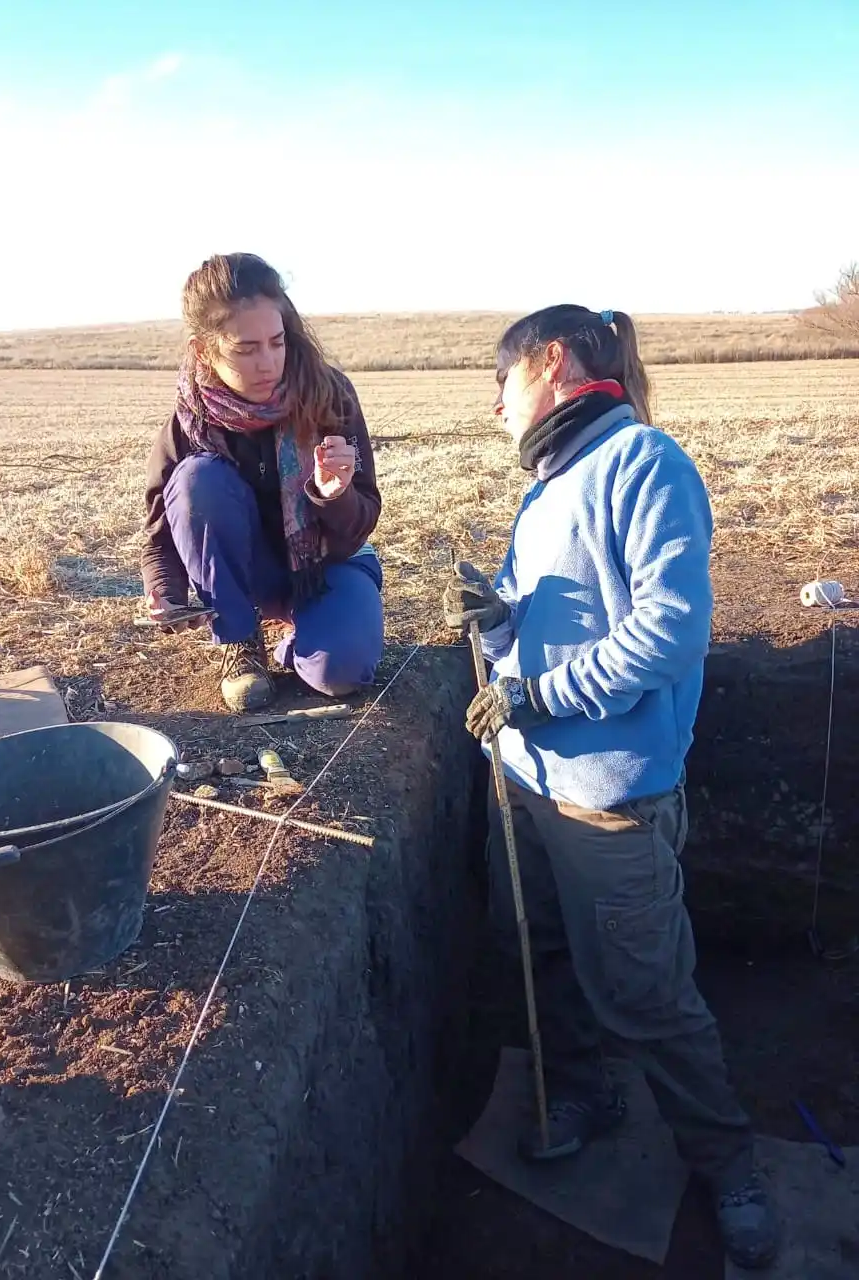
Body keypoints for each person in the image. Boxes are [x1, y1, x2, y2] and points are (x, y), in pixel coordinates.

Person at [442, 305, 779, 1270]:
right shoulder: (547, 485)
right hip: (529, 782)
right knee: (542, 955)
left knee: (647, 993)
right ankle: (584, 1089)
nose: (494, 404)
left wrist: (541, 695)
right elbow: (539, 637)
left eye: (499, 381)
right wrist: (499, 625)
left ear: (550, 363)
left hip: (607, 798)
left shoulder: (645, 465)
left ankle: (729, 1166)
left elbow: (669, 631)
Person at [141, 254, 383, 713]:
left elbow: (361, 523)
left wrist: (335, 496)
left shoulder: (330, 394)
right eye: (245, 348)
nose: (267, 362)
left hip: (329, 563)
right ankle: (239, 637)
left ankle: (299, 638)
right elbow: (159, 531)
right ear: (202, 350)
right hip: (251, 574)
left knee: (344, 672)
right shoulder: (190, 418)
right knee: (197, 480)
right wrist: (165, 593)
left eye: (276, 342)